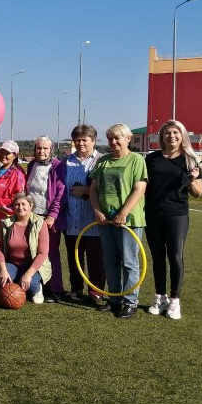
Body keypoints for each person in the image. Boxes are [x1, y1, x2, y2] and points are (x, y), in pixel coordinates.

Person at [145, 119, 202, 320]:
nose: (172, 136)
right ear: (162, 137)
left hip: (177, 214)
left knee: (175, 256)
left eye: (175, 133)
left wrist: (193, 179)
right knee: (157, 256)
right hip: (152, 214)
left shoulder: (190, 160)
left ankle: (175, 300)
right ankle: (160, 297)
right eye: (167, 133)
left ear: (182, 135)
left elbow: (198, 193)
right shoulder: (152, 158)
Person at [89, 124, 147, 319]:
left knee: (129, 262)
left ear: (128, 139)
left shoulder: (136, 160)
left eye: (117, 138)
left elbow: (139, 189)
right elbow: (93, 189)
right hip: (106, 221)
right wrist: (97, 210)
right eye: (110, 138)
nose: (113, 142)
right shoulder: (103, 161)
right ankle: (115, 299)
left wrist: (123, 213)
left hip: (128, 221)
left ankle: (130, 302)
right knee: (110, 261)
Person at [62, 125, 105, 304]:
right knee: (74, 258)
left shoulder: (102, 161)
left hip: (93, 220)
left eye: (84, 140)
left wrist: (85, 190)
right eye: (77, 140)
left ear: (93, 141)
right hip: (71, 219)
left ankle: (96, 291)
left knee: (96, 258)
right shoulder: (67, 161)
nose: (80, 143)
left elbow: (106, 189)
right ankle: (76, 289)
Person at [25, 136, 66, 302]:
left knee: (50, 253)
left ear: (51, 150)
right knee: (32, 251)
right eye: (38, 148)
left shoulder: (57, 166)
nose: (41, 151)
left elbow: (60, 193)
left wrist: (52, 215)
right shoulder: (31, 165)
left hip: (48, 218)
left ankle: (56, 289)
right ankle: (36, 286)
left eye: (45, 148)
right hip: (32, 216)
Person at [0, 193, 50, 304]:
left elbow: (43, 253)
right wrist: (3, 270)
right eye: (17, 204)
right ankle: (17, 280)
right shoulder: (5, 222)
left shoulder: (40, 222)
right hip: (12, 263)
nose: (20, 207)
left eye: (23, 204)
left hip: (33, 264)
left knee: (31, 285)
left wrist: (28, 274)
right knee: (0, 281)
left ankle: (37, 289)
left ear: (31, 205)